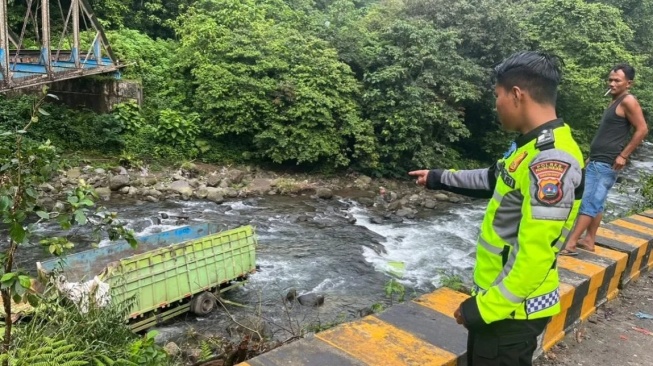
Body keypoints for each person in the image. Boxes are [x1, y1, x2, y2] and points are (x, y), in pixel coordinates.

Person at [409, 51, 585, 366]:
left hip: (512, 313)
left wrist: (483, 309)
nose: (496, 105)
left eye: (497, 96)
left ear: (517, 95)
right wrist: (437, 178)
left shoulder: (553, 160)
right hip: (504, 305)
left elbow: (536, 254)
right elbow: (491, 179)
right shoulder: (530, 147)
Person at [560, 63, 648, 256]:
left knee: (588, 202)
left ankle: (571, 244)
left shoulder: (628, 100)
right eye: (610, 79)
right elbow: (608, 133)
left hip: (607, 161)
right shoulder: (614, 101)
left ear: (629, 83)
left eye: (617, 80)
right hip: (598, 159)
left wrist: (623, 155)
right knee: (596, 202)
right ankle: (589, 240)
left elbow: (642, 129)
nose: (612, 83)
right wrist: (592, 156)